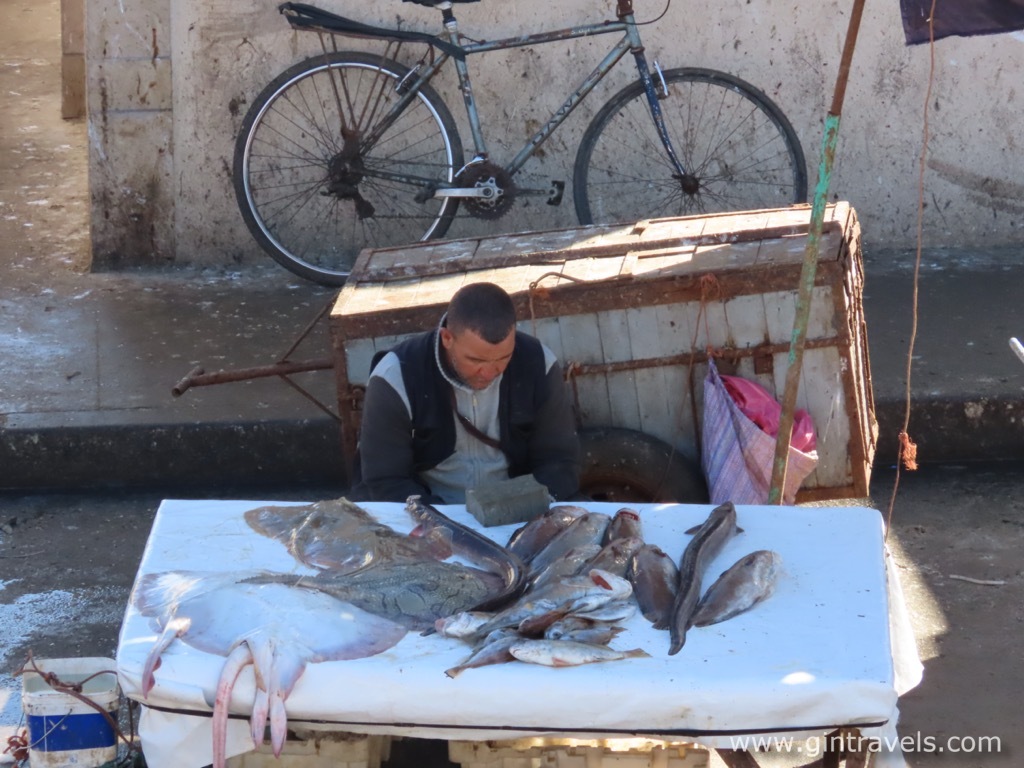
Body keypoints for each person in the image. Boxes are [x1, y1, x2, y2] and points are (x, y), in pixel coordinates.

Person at [350, 282, 581, 504]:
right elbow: (386, 480)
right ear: (447, 338)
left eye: (504, 358)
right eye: (475, 360)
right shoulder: (395, 376)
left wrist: (528, 508)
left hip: (518, 507)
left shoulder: (538, 363)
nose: (489, 373)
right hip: (428, 509)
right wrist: (440, 521)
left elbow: (559, 461)